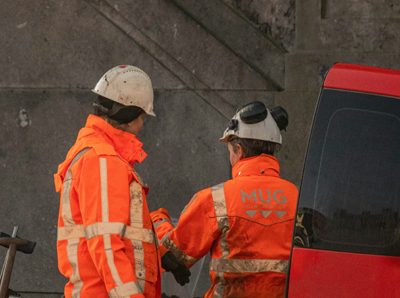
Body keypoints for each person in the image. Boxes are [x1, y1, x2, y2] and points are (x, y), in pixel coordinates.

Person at [54, 65, 189, 298]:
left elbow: (119, 234)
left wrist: (158, 254)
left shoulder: (93, 154)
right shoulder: (103, 160)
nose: (142, 125)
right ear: (127, 118)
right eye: (142, 117)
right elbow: (106, 244)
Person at [151, 101, 299, 298]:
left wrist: (157, 220)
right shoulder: (299, 198)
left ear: (240, 150)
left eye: (230, 151)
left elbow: (175, 254)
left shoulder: (217, 198)